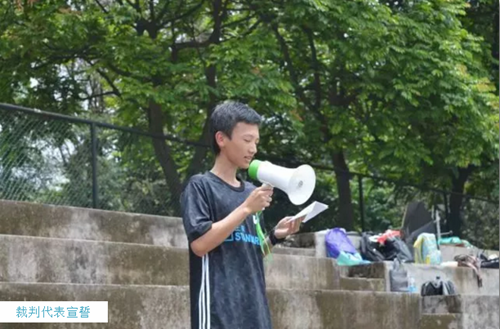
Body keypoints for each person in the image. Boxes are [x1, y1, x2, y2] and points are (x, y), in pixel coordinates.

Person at [180, 101, 303, 329]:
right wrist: (246, 208)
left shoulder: (250, 192)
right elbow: (199, 244)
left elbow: (253, 251)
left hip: (255, 310)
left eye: (256, 142)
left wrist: (276, 235)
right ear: (221, 139)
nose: (253, 149)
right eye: (247, 140)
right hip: (217, 312)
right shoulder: (200, 186)